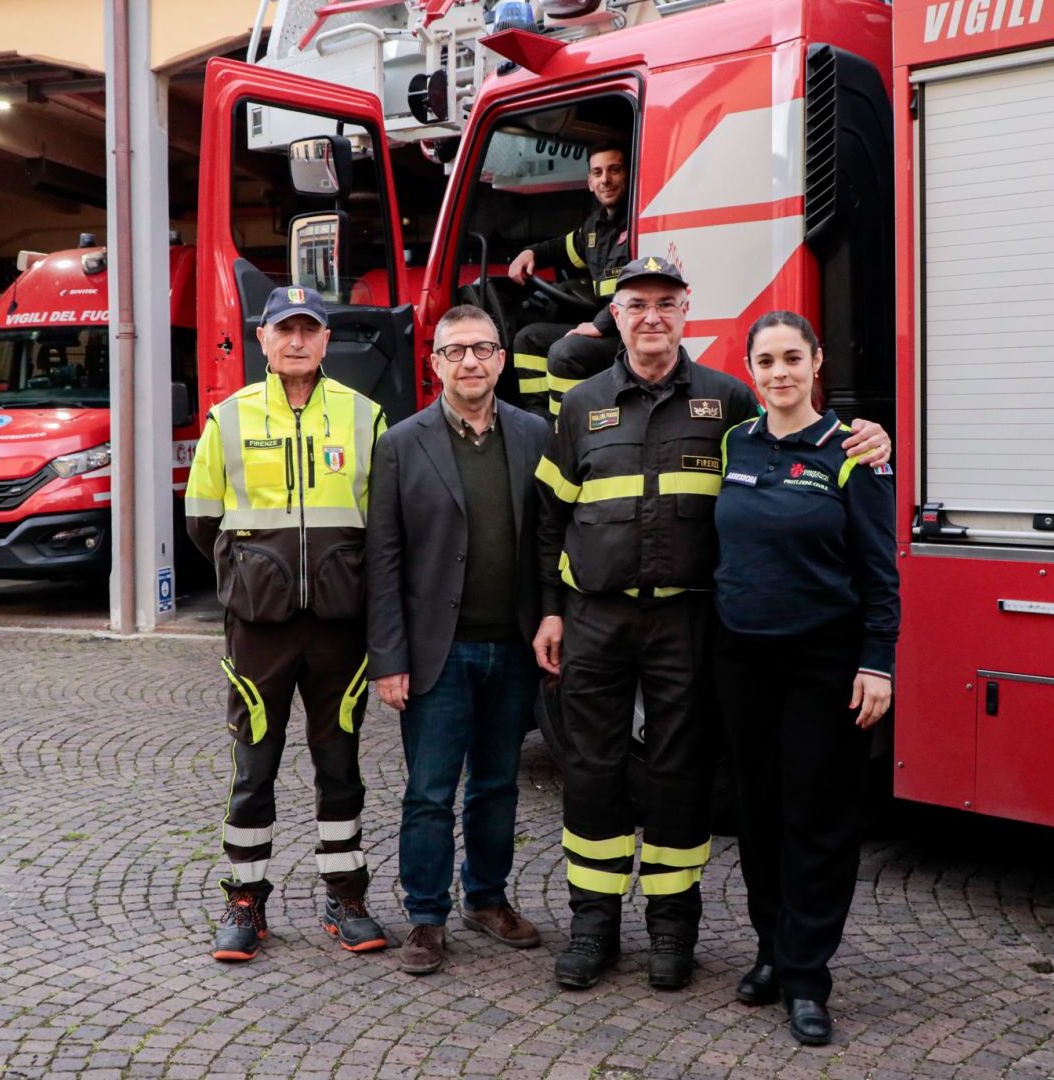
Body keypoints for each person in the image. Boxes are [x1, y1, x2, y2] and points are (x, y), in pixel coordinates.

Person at [532, 256, 892, 992]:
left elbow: (796, 434)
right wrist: (547, 610)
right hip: (596, 618)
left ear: (686, 311)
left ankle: (674, 930)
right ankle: (593, 926)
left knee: (680, 775)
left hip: (688, 622)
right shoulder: (580, 404)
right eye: (637, 304)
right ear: (615, 315)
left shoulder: (727, 404)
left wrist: (871, 436)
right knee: (591, 771)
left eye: (666, 303)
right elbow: (548, 516)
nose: (652, 317)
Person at [184, 285, 392, 964]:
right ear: (263, 340)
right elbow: (202, 520)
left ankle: (346, 897)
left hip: (340, 624)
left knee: (341, 766)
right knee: (254, 768)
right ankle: (245, 901)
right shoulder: (228, 418)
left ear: (326, 340)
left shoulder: (364, 416)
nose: (297, 341)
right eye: (285, 330)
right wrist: (255, 574)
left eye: (309, 329)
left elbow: (386, 524)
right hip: (260, 628)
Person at [712, 311, 899, 1047]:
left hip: (825, 662)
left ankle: (807, 977)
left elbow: (880, 570)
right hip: (742, 659)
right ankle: (772, 949)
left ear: (817, 363)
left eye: (793, 357)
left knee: (815, 820)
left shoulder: (853, 452)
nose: (779, 372)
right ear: (750, 371)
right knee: (757, 815)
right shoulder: (736, 441)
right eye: (766, 361)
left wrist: (877, 660)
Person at [365, 305, 549, 976]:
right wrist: (388, 659)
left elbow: (549, 539)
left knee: (497, 785)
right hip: (435, 654)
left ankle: (487, 899)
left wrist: (551, 618)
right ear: (434, 363)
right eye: (455, 351)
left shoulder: (535, 434)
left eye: (482, 349)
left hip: (514, 647)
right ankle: (426, 917)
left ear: (501, 359)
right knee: (430, 792)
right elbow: (383, 560)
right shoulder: (400, 444)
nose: (469, 361)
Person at [508, 143, 629, 418]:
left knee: (565, 352)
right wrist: (530, 253)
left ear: (627, 175)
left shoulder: (637, 222)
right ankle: (539, 421)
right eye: (597, 172)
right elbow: (562, 248)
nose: (605, 179)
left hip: (627, 332)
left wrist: (599, 324)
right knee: (528, 339)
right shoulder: (595, 228)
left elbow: (638, 290)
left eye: (614, 170)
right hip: (606, 328)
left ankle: (565, 429)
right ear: (589, 182)